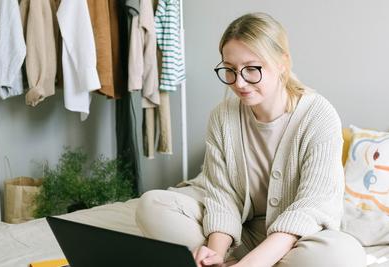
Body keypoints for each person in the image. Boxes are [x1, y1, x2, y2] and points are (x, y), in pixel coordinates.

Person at [136, 12, 366, 267]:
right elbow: (222, 196)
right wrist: (216, 253)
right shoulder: (222, 116)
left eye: (252, 69)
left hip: (295, 241)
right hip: (242, 236)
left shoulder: (319, 116)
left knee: (344, 255)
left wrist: (253, 263)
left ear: (282, 63)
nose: (240, 82)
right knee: (152, 204)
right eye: (230, 70)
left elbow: (312, 207)